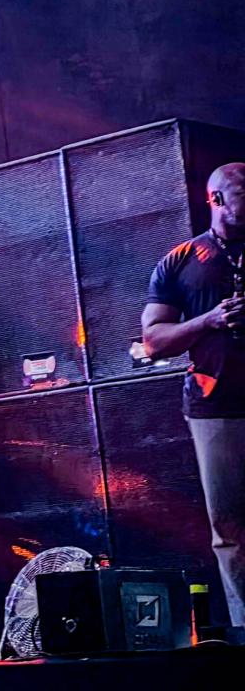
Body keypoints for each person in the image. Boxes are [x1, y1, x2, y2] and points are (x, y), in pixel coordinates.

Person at [141, 163, 245, 628]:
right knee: (231, 528)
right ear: (216, 199)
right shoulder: (180, 260)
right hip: (216, 406)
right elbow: (153, 340)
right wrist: (210, 320)